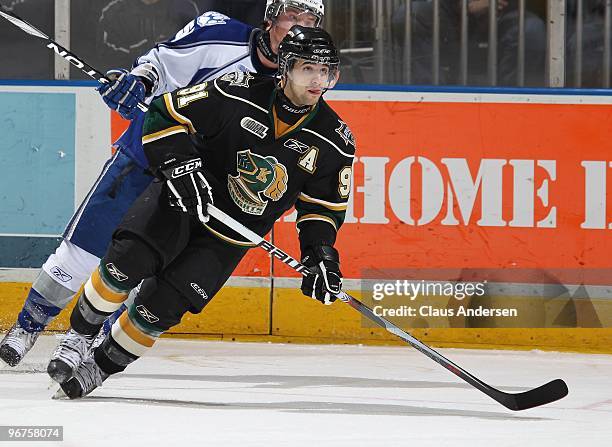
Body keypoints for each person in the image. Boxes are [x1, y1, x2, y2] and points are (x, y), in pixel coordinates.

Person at [0, 0, 326, 368]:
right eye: (291, 16)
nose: (299, 25)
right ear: (271, 18)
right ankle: (27, 326)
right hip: (147, 153)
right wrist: (137, 84)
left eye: (309, 19)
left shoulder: (292, 88)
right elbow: (161, 65)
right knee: (83, 248)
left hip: (194, 182)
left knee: (136, 264)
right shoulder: (219, 33)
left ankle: (82, 340)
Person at [49, 25, 354, 400]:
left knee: (160, 310)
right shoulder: (236, 90)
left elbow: (321, 208)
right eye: (308, 68)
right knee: (123, 265)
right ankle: (78, 336)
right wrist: (180, 167)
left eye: (326, 71)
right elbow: (164, 113)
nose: (318, 80)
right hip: (180, 202)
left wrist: (321, 255)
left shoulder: (334, 139)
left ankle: (102, 365)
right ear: (285, 67)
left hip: (229, 237)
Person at [393, 0, 546, 86]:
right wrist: (465, 5)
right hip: (452, 15)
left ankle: (511, 104)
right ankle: (429, 103)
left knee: (531, 31)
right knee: (410, 16)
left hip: (506, 15)